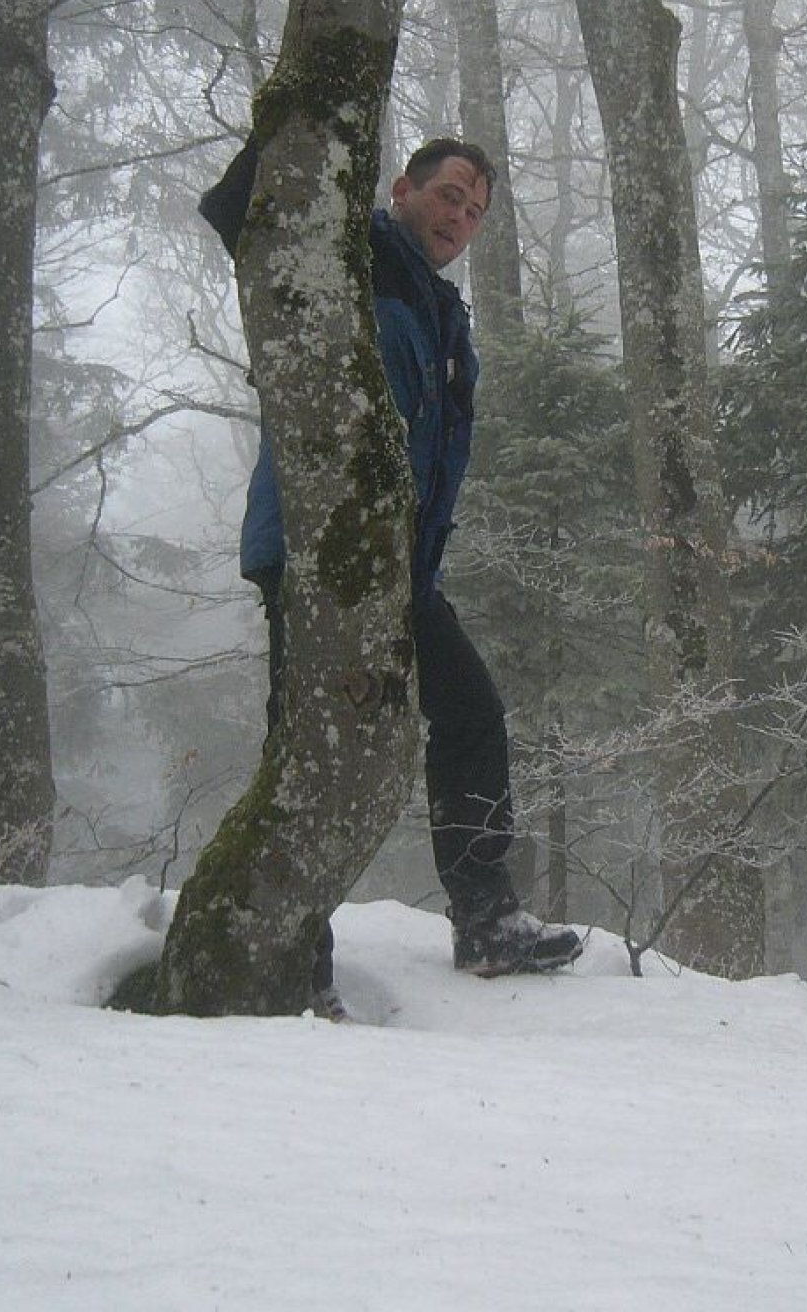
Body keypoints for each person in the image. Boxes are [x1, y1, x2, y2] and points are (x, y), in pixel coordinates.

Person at [199, 136, 584, 997]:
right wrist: (295, 124)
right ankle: (291, 956)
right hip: (318, 552)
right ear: (402, 189)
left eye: (475, 212)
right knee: (310, 750)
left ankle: (486, 922)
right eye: (449, 196)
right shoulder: (350, 255)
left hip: (399, 568)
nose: (460, 219)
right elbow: (238, 214)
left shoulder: (441, 310)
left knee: (472, 714)